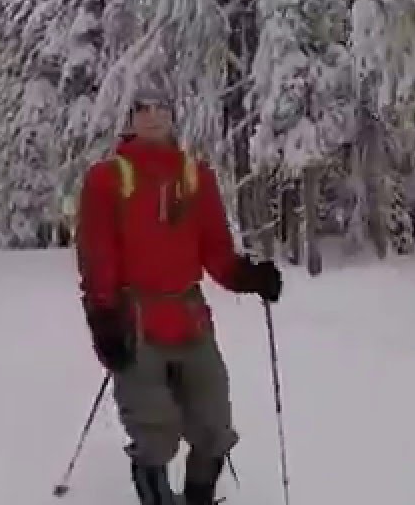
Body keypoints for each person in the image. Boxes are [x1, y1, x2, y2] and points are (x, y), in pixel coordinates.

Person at [74, 84, 283, 505]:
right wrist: (103, 317)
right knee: (154, 431)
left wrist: (248, 276)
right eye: (142, 109)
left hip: (189, 318)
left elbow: (216, 252)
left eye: (161, 107)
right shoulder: (107, 178)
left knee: (214, 426)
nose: (152, 115)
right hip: (134, 321)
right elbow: (97, 255)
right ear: (130, 120)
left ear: (173, 115)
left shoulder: (195, 175)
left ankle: (199, 498)